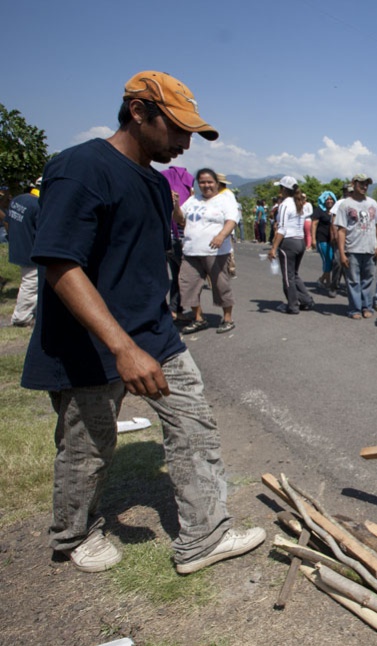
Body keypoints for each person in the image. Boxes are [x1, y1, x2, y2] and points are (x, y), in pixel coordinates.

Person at [21, 70, 265, 574]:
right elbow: (60, 264)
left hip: (156, 334)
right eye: (176, 129)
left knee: (194, 424)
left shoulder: (155, 185)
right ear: (138, 112)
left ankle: (204, 535)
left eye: (190, 134)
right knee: (88, 445)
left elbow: (147, 260)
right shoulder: (80, 168)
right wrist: (120, 346)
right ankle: (75, 533)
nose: (184, 143)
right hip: (87, 340)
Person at [175, 168, 240, 334]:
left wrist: (221, 235)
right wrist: (175, 204)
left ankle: (227, 318)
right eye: (202, 182)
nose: (206, 185)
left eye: (209, 182)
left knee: (220, 285)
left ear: (216, 183)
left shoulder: (225, 199)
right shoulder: (192, 200)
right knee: (188, 284)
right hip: (191, 251)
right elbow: (179, 219)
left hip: (216, 252)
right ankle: (198, 318)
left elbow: (232, 220)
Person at [334, 173, 377, 318]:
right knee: (353, 281)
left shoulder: (372, 203)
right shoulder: (345, 204)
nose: (364, 186)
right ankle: (354, 309)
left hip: (370, 249)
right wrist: (342, 253)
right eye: (361, 183)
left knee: (368, 280)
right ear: (353, 183)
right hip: (352, 249)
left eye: (366, 184)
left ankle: (367, 307)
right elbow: (341, 230)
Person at [268, 177, 316, 314]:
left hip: (288, 243)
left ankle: (292, 305)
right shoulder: (299, 202)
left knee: (288, 277)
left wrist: (274, 248)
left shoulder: (285, 205)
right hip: (299, 241)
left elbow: (282, 229)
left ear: (283, 189)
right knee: (294, 274)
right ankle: (306, 300)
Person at [160, 166, 194, 321]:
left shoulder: (161, 194)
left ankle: (176, 310)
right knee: (187, 276)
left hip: (166, 240)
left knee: (176, 276)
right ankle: (176, 310)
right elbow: (182, 220)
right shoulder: (184, 197)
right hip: (179, 241)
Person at [6, 179, 41, 327]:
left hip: (18, 246)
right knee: (31, 284)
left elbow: (7, 221)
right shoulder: (39, 206)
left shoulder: (18, 199)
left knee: (28, 282)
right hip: (31, 250)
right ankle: (21, 318)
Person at [312, 190, 336, 291]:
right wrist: (313, 239)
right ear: (323, 200)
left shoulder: (335, 211)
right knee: (328, 260)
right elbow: (314, 224)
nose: (329, 201)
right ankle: (328, 282)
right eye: (327, 199)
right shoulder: (319, 210)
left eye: (331, 199)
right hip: (322, 239)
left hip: (332, 240)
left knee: (331, 261)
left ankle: (322, 280)